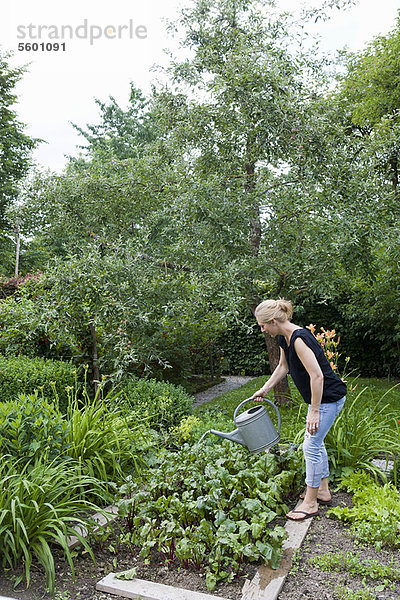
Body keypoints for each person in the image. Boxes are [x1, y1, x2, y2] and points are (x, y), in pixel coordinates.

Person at [250, 298, 346, 521]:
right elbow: (283, 367)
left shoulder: (300, 339)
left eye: (263, 325)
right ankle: (322, 490)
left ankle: (310, 503)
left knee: (310, 445)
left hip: (328, 399)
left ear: (273, 321)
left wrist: (314, 411)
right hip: (323, 400)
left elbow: (317, 376)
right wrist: (265, 389)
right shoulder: (285, 339)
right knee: (316, 442)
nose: (262, 330)